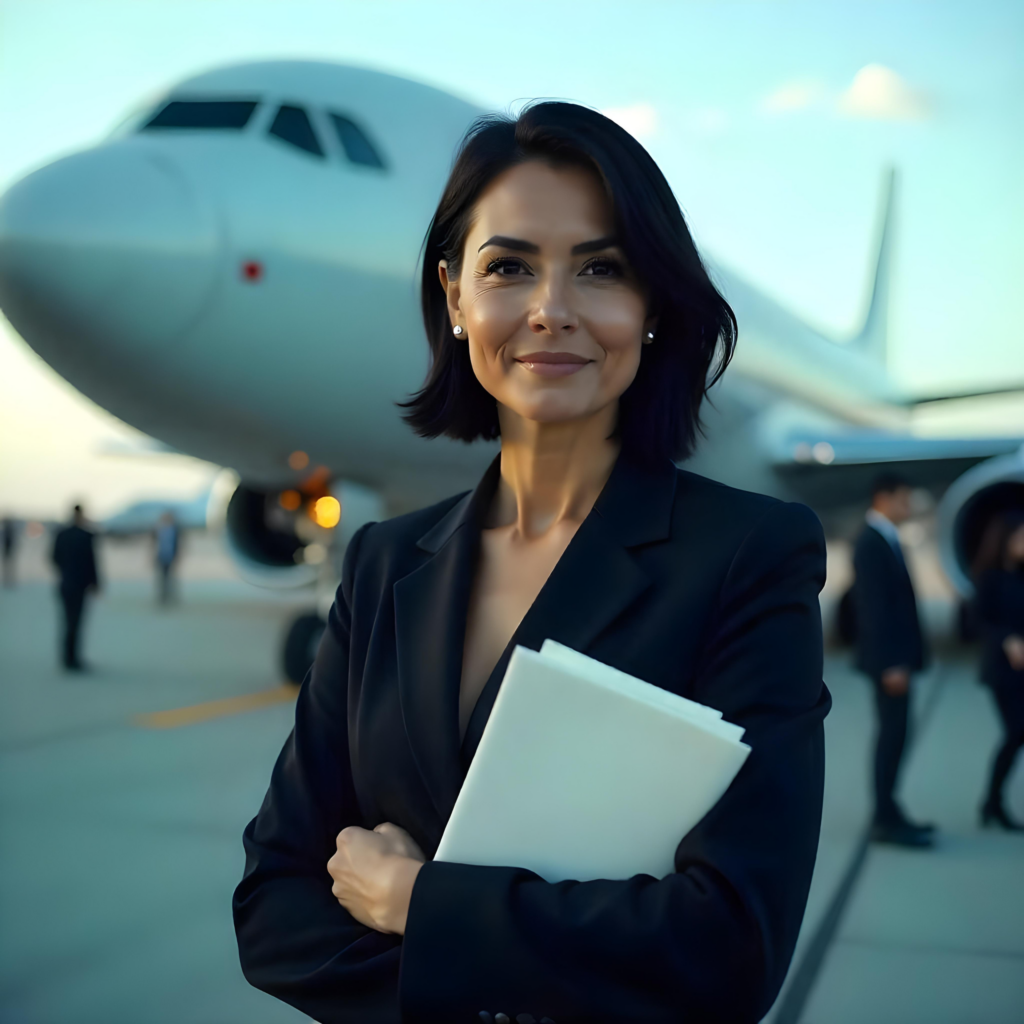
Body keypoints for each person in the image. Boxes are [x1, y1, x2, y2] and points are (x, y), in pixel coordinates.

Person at [233, 103, 831, 1024]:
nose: (552, 310)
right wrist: (542, 966)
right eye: (508, 267)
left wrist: (416, 905)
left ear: (653, 307)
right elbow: (273, 909)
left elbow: (732, 949)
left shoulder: (749, 558)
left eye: (601, 269)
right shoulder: (384, 563)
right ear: (455, 295)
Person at [853, 472, 936, 848]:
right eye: (904, 499)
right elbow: (873, 610)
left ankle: (889, 809)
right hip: (890, 664)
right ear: (883, 499)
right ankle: (884, 817)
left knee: (897, 735)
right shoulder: (870, 543)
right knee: (891, 736)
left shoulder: (885, 538)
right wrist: (890, 664)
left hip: (897, 660)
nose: (908, 507)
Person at [971, 511, 1024, 831]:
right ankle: (993, 801)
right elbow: (977, 621)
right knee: (1016, 731)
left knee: (1017, 734)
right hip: (1003, 670)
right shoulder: (988, 577)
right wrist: (1007, 640)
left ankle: (992, 801)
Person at [51, 504, 100, 672]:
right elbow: (92, 562)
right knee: (76, 622)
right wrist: (95, 583)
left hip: (66, 584)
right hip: (80, 585)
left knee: (67, 621)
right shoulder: (86, 536)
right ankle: (73, 659)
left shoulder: (61, 534)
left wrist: (65, 572)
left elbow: (53, 558)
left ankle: (67, 657)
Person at [154, 510, 181, 605]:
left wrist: (177, 556)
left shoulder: (174, 529)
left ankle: (171, 596)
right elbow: (154, 544)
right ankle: (163, 597)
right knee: (162, 578)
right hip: (162, 556)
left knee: (170, 577)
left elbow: (178, 544)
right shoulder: (159, 530)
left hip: (170, 557)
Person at [2, 516, 17, 587]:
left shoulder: (8, 531)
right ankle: (8, 580)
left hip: (9, 552)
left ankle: (9, 581)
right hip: (7, 552)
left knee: (9, 568)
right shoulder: (7, 531)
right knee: (8, 568)